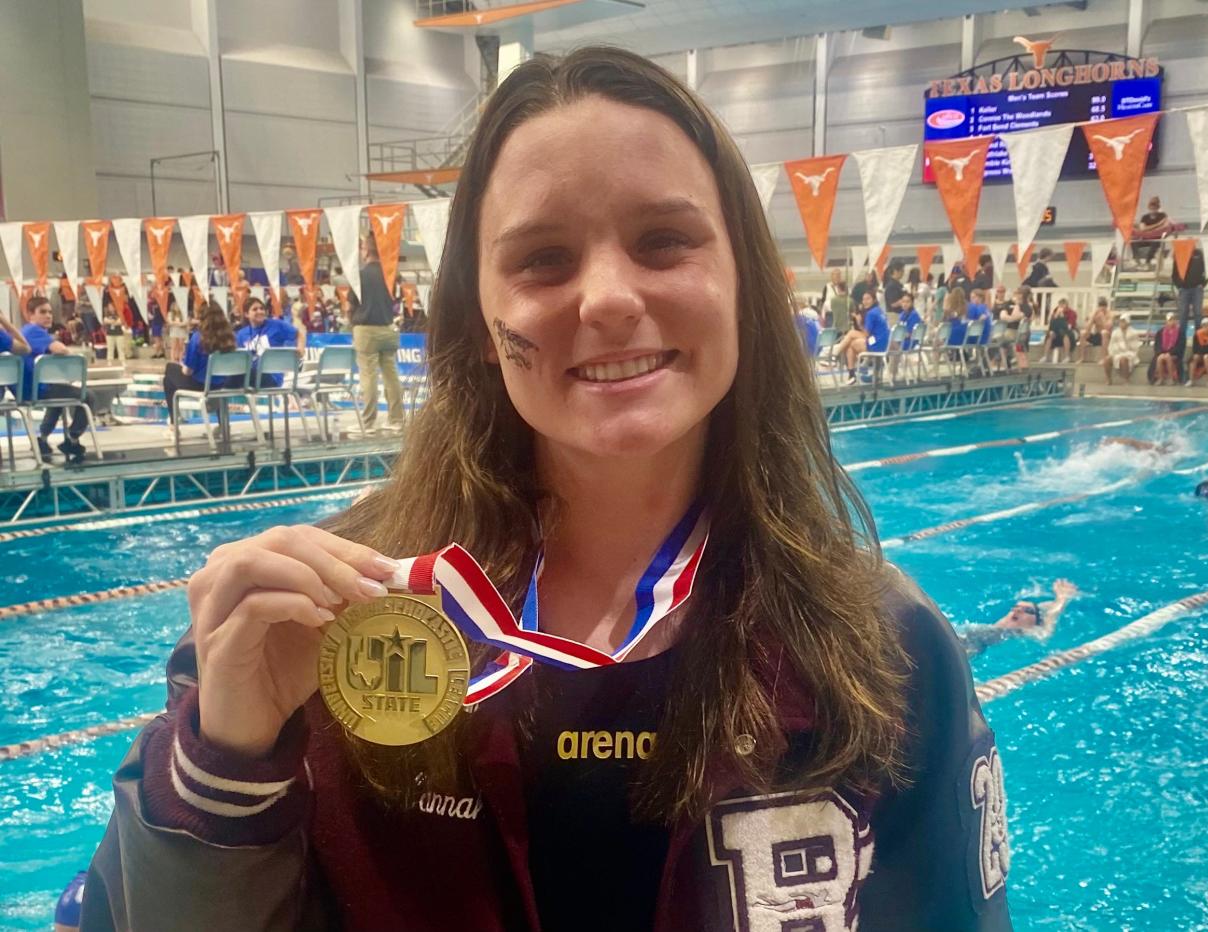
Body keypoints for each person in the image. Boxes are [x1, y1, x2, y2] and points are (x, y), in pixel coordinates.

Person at [83, 49, 1012, 931]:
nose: (606, 297)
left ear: (744, 286)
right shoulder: (319, 619)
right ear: (481, 320)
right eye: (542, 259)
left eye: (663, 241)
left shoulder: (881, 647)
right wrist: (224, 765)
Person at [21, 296, 97, 464]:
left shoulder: (25, 331)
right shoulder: (33, 331)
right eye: (43, 312)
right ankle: (72, 438)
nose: (48, 316)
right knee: (88, 396)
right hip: (36, 390)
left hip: (29, 389)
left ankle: (42, 438)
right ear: (30, 315)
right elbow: (61, 350)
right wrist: (72, 356)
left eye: (50, 312)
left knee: (58, 396)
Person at [161, 301, 240, 436]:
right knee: (215, 381)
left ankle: (174, 426)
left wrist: (182, 365)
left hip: (202, 386)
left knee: (169, 375)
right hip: (224, 385)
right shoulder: (230, 338)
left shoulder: (198, 338)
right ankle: (223, 425)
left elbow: (188, 371)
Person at [353, 234, 405, 435]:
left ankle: (368, 423)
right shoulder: (390, 274)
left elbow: (349, 305)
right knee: (391, 375)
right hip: (388, 328)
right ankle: (397, 419)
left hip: (366, 329)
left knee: (369, 376)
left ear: (365, 250)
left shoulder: (359, 275)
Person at [958, 580, 1078, 658]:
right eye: (1015, 607)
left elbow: (1045, 633)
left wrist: (1062, 599)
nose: (1018, 610)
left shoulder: (1023, 633)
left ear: (1035, 624)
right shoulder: (991, 628)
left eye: (1028, 611)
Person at [235, 296, 299, 387]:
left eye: (262, 308)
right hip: (251, 376)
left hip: (272, 376)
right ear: (246, 314)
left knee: (238, 376)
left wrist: (300, 348)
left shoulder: (276, 325)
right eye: (255, 309)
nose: (260, 311)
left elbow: (300, 334)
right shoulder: (241, 334)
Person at [1171, 243, 1207, 337]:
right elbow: (1174, 274)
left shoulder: (1199, 254)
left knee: (1198, 313)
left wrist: (1203, 284)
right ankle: (1181, 338)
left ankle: (1198, 337)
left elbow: (1207, 269)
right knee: (1183, 314)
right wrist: (1180, 286)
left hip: (1197, 288)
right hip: (1184, 289)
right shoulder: (1180, 255)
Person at [1101, 314, 1142, 385]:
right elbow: (1111, 345)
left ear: (1128, 322)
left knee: (1123, 359)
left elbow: (1135, 348)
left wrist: (1125, 348)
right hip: (1117, 353)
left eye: (1123, 321)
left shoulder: (1133, 333)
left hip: (1130, 353)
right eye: (1120, 321)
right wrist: (1114, 353)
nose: (1121, 323)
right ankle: (1108, 379)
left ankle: (1126, 380)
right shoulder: (1115, 332)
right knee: (1107, 359)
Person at [1132, 196, 1170, 268]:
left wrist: (1149, 229)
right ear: (1149, 207)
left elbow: (1165, 226)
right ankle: (1137, 261)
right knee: (1133, 241)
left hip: (1157, 238)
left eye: (1155, 206)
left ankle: (1147, 262)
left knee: (1155, 242)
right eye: (1151, 206)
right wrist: (1158, 225)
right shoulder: (1145, 217)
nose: (1153, 208)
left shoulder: (1162, 215)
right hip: (1146, 238)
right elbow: (1142, 228)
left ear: (1158, 207)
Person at [1077, 296, 1113, 363]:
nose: (1101, 310)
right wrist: (1092, 317)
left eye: (1103, 308)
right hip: (1097, 336)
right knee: (1082, 333)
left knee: (1104, 332)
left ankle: (1104, 358)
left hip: (1107, 337)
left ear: (1106, 307)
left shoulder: (1110, 314)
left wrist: (1102, 318)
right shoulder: (1095, 314)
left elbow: (1108, 328)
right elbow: (1087, 328)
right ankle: (1082, 357)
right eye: (1100, 308)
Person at [1151, 313, 1184, 386]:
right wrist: (1161, 352)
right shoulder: (1160, 332)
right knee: (1160, 358)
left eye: (1173, 320)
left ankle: (1171, 378)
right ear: (1166, 322)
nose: (1172, 322)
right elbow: (1157, 345)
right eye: (1170, 320)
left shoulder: (1180, 332)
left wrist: (1170, 352)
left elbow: (1180, 346)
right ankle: (1161, 378)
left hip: (1175, 354)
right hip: (1162, 353)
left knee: (1167, 357)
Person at [1042, 299, 1075, 363]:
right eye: (1060, 305)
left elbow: (1069, 327)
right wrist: (1056, 315)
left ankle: (1067, 356)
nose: (1061, 307)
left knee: (1065, 335)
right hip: (1056, 332)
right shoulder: (1055, 312)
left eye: (1063, 305)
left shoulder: (1071, 313)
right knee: (1050, 334)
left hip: (1068, 333)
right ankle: (1045, 356)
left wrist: (1062, 317)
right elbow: (1051, 325)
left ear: (1066, 305)